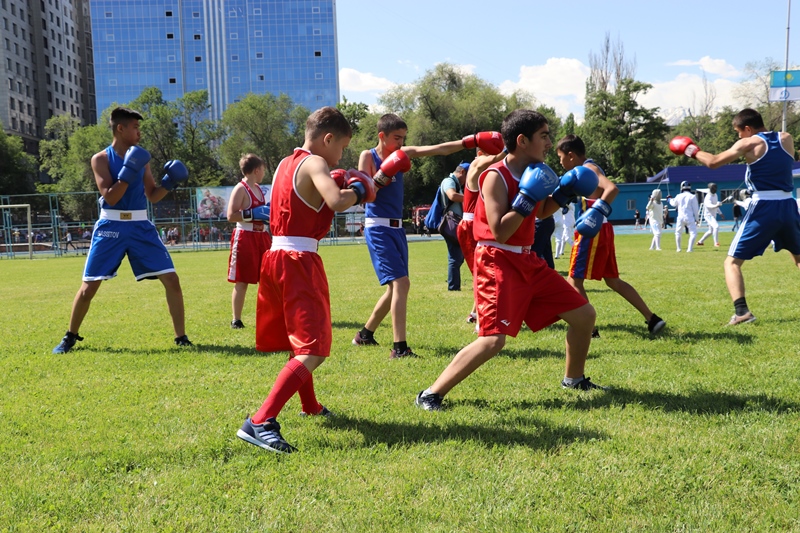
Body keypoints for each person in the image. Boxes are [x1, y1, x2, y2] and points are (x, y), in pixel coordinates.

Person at [415, 110, 607, 412]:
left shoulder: (538, 169)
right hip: (497, 260)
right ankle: (431, 393)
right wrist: (527, 197)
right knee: (494, 340)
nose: (548, 142)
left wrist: (564, 193)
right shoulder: (494, 177)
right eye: (543, 136)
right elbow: (501, 230)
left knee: (584, 316)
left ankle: (574, 378)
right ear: (522, 140)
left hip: (528, 260)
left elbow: (541, 212)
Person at [238, 106, 376, 454]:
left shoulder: (286, 163)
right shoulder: (316, 164)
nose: (340, 155)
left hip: (276, 257)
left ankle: (310, 405)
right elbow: (336, 201)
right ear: (327, 139)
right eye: (341, 147)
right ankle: (260, 421)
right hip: (299, 259)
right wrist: (360, 188)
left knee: (299, 342)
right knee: (314, 347)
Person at [352, 113, 504, 358]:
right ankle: (399, 348)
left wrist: (472, 140)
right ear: (382, 136)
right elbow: (364, 192)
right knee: (401, 284)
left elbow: (439, 149)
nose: (401, 143)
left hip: (397, 228)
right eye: (396, 138)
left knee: (395, 289)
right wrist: (384, 174)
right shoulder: (367, 156)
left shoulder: (404, 152)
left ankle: (365, 335)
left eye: (403, 138)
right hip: (377, 226)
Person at [52, 107, 192, 354]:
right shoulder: (101, 159)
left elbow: (153, 196)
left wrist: (169, 183)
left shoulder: (142, 158)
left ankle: (181, 338)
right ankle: (70, 337)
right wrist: (129, 171)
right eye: (135, 128)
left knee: (172, 279)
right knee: (89, 287)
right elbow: (111, 197)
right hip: (111, 225)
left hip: (140, 224)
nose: (139, 132)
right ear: (121, 128)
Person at [669, 108, 800, 326]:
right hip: (788, 204)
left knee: (732, 263)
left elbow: (713, 162)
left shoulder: (749, 143)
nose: (737, 136)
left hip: (764, 206)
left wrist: (690, 150)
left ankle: (742, 312)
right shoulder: (786, 138)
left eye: (738, 132)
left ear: (747, 128)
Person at [558, 134, 666, 338]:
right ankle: (652, 319)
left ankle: (589, 329)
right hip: (602, 229)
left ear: (571, 156)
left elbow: (611, 188)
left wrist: (595, 213)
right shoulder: (584, 171)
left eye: (561, 157)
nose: (560, 162)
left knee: (574, 281)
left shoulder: (588, 169)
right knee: (613, 281)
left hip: (592, 231)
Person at [457, 151, 506, 326]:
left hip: (479, 225)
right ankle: (482, 322)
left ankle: (475, 314)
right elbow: (494, 158)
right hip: (471, 226)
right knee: (482, 275)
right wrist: (510, 149)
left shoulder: (491, 171)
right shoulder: (476, 167)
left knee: (484, 272)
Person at [226, 153, 272, 329]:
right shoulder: (240, 188)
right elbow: (231, 215)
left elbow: (263, 213)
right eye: (262, 170)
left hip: (262, 236)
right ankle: (236, 319)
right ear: (256, 170)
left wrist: (266, 214)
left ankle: (269, 316)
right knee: (242, 280)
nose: (263, 173)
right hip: (245, 237)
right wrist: (252, 213)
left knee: (268, 279)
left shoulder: (259, 189)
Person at [440, 162, 469, 291]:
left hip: (455, 223)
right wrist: (472, 197)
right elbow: (452, 195)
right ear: (462, 172)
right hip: (451, 224)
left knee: (457, 256)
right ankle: (453, 287)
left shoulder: (457, 183)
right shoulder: (449, 181)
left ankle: (454, 285)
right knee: (455, 257)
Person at [667, 181, 699, 252]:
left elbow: (673, 203)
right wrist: (697, 219)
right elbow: (696, 209)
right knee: (693, 233)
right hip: (689, 217)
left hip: (680, 217)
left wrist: (669, 199)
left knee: (678, 232)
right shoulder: (692, 196)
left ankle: (678, 248)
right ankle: (689, 249)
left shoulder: (678, 196)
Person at [696, 182, 723, 247]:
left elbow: (716, 205)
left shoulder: (715, 195)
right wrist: (717, 205)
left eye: (715, 188)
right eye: (713, 188)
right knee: (716, 226)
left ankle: (700, 242)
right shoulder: (708, 197)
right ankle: (716, 243)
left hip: (713, 215)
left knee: (711, 231)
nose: (715, 189)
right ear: (710, 189)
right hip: (708, 215)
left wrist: (720, 213)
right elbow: (709, 206)